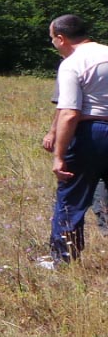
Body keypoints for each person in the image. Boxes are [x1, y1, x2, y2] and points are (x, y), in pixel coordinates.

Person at [43, 14, 108, 267]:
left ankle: (63, 261)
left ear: (61, 38)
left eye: (52, 40)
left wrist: (59, 157)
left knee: (71, 199)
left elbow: (69, 113)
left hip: (91, 134)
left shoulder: (73, 64)